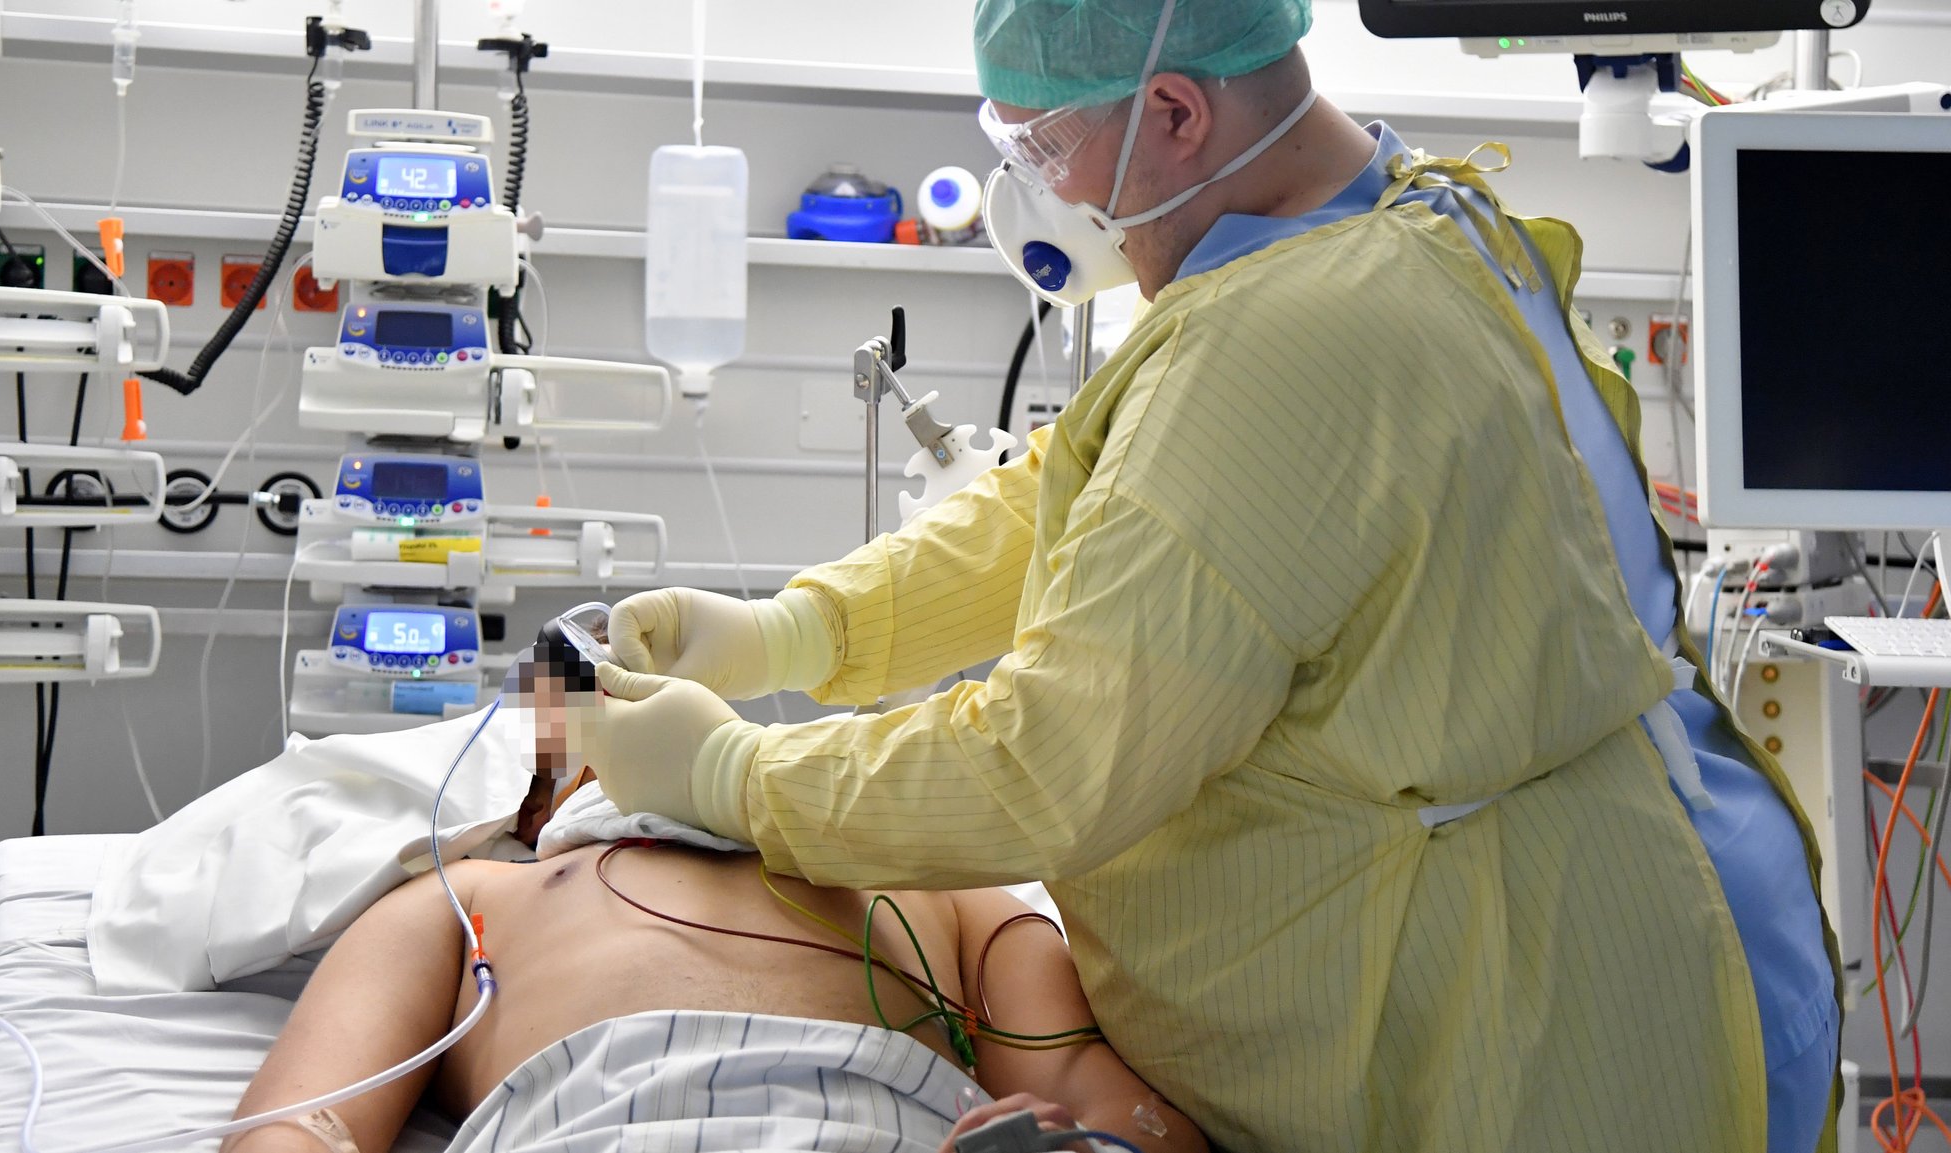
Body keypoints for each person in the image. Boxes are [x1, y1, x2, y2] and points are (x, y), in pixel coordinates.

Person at [566, 1, 1841, 1150]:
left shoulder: (1283, 333)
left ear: (1175, 112)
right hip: (1621, 906)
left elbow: (1047, 762)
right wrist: (798, 633)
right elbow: (1091, 499)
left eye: (1040, 151)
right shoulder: (1388, 216)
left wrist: (736, 776)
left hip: (1538, 1024)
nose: (1036, 191)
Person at [219, 834, 1205, 1153]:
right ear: (547, 802)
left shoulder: (941, 886)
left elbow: (1102, 1090)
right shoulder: (476, 889)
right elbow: (298, 1125)